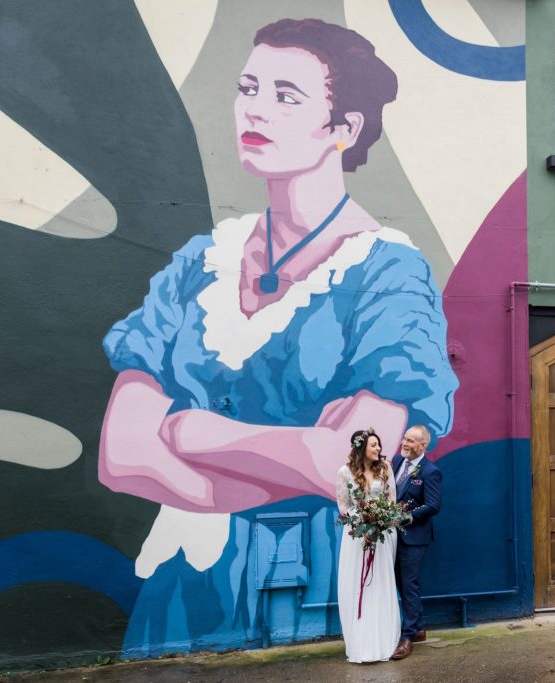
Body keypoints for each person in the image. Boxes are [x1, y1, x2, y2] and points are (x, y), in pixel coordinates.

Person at [98, 18, 457, 655]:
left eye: (286, 96)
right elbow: (123, 453)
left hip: (322, 581)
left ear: (344, 129)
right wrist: (301, 451)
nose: (254, 109)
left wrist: (192, 432)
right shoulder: (200, 261)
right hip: (179, 587)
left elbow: (356, 470)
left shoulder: (389, 272)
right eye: (247, 88)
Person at [335, 429, 400, 662]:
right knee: (357, 583)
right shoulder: (345, 472)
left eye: (379, 445)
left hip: (383, 535)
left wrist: (380, 521)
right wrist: (361, 521)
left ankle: (383, 641)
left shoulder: (385, 469)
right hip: (356, 536)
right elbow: (343, 505)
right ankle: (361, 643)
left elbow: (391, 501)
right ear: (361, 447)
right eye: (374, 445)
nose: (379, 449)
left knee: (380, 583)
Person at [389, 425, 442, 660]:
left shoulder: (430, 472)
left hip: (414, 538)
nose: (405, 443)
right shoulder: (396, 462)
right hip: (393, 537)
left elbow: (433, 505)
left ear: (423, 446)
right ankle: (418, 628)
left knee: (409, 585)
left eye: (411, 441)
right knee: (401, 584)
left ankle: (407, 637)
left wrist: (407, 517)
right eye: (405, 439)